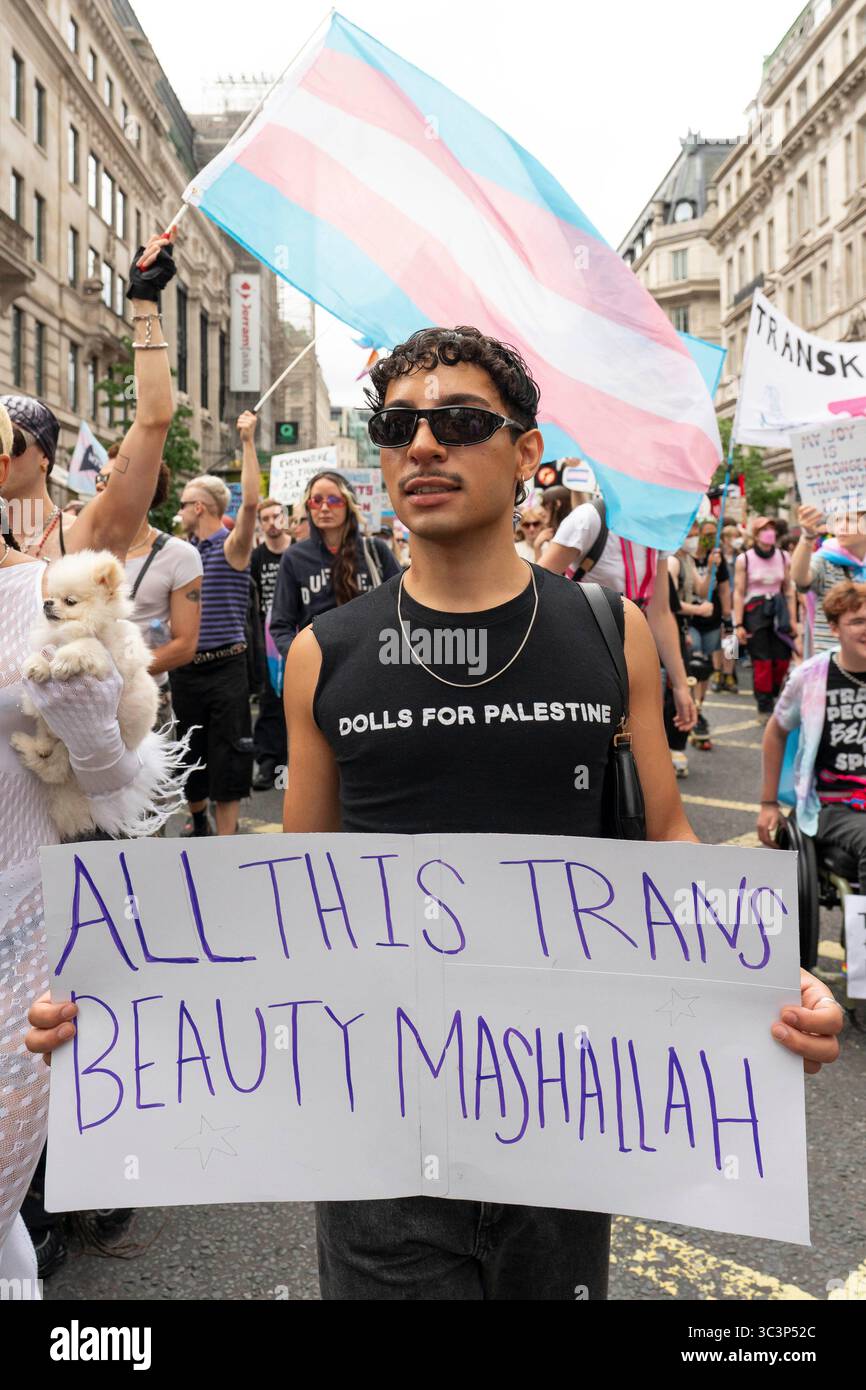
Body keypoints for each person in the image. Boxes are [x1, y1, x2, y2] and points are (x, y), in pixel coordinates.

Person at [0, 230, 185, 1292]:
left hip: (37, 887)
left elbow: (153, 420)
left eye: (16, 438)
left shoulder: (71, 556)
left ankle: (87, 1182)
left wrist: (145, 305)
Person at [169, 412, 261, 837]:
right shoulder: (178, 554)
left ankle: (225, 845)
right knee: (189, 752)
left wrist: (247, 441)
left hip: (227, 669)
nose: (180, 510)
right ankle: (199, 817)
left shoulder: (232, 548)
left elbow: (252, 505)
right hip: (185, 670)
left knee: (229, 754)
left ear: (200, 507)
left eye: (184, 503)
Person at [539, 498, 698, 736]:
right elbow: (536, 590)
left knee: (640, 750)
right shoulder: (589, 518)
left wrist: (680, 685)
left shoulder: (659, 529)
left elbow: (660, 612)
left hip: (634, 655)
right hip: (583, 656)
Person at [758, 581, 866, 905]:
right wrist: (768, 803)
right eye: (857, 621)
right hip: (834, 805)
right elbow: (776, 732)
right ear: (833, 628)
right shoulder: (811, 677)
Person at [97, 457, 202, 724]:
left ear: (143, 486)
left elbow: (185, 646)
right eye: (98, 479)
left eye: (109, 480)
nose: (99, 487)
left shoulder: (180, 555)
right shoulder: (81, 545)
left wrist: (115, 673)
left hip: (143, 698)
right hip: (86, 699)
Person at [269, 471, 400, 660]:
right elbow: (281, 624)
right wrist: (302, 663)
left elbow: (401, 607)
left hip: (373, 663)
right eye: (316, 500)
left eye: (333, 500)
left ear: (348, 504)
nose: (324, 507)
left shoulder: (376, 551)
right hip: (319, 671)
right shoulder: (294, 557)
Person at [732, 516, 799, 718]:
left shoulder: (783, 556)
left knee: (782, 659)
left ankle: (774, 693)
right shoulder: (745, 558)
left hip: (779, 611)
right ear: (756, 533)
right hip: (755, 611)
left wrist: (793, 620)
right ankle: (764, 704)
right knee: (762, 661)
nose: (769, 532)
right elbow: (739, 592)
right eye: (764, 529)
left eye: (772, 528)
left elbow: (788, 590)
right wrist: (738, 624)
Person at [250, 497, 290, 791]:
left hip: (301, 632)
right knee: (271, 701)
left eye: (276, 516)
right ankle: (269, 763)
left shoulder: (300, 553)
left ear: (285, 518)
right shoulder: (256, 558)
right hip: (267, 639)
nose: (272, 523)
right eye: (265, 519)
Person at [791, 502, 866, 658]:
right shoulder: (825, 560)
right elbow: (800, 578)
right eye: (837, 520)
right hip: (833, 661)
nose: (841, 527)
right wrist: (808, 536)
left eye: (850, 521)